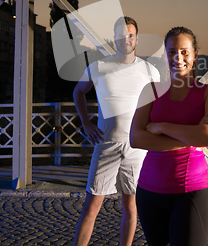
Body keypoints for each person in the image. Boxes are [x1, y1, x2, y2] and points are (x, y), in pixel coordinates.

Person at [130, 26, 208, 246]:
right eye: (171, 51)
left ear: (195, 55)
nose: (177, 57)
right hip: (148, 192)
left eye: (184, 51)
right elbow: (136, 138)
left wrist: (160, 126)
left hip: (189, 192)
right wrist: (191, 137)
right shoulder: (150, 91)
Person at [73, 16, 160, 246]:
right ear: (115, 39)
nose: (126, 39)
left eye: (130, 35)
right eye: (122, 35)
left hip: (137, 148)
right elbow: (78, 92)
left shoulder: (150, 71)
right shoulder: (99, 67)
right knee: (92, 206)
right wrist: (86, 123)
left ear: (137, 39)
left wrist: (154, 129)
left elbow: (158, 105)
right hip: (106, 144)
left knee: (131, 206)